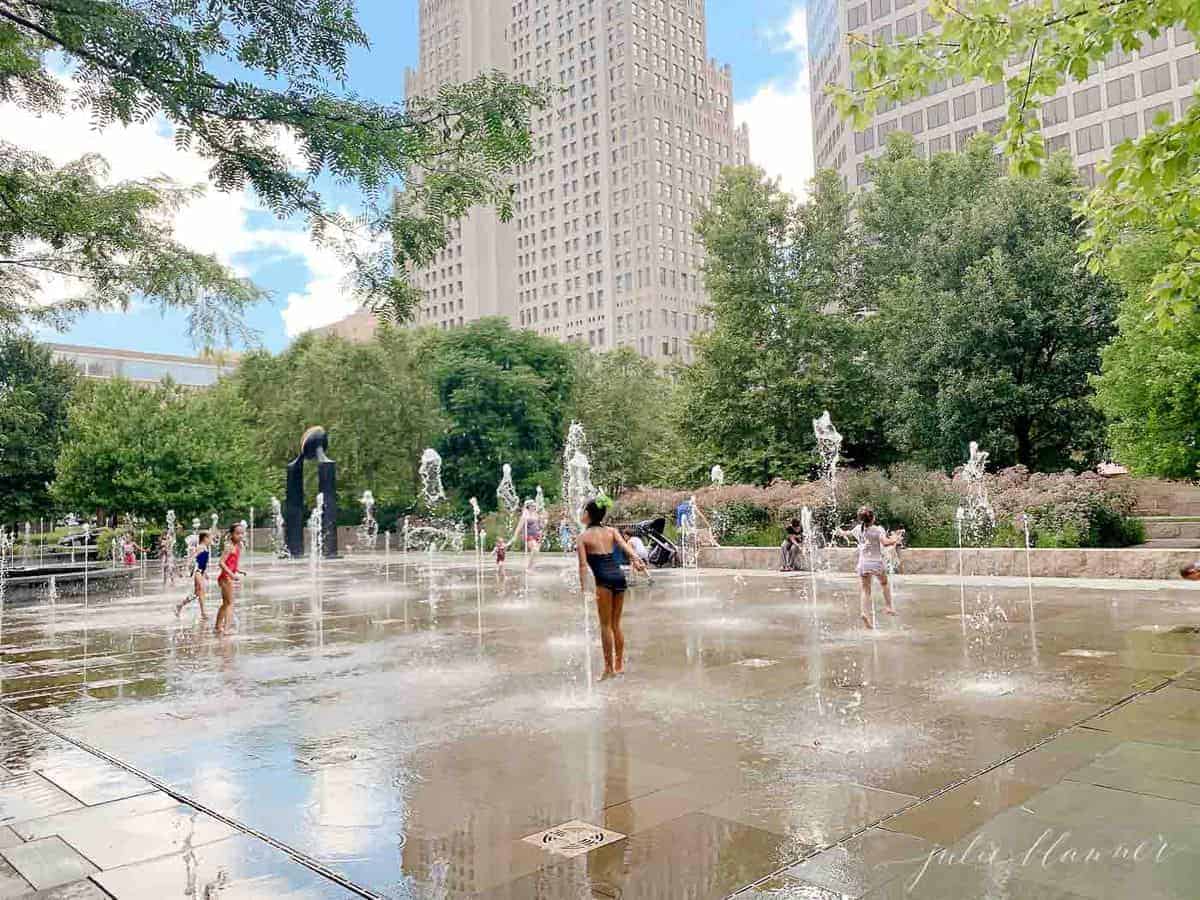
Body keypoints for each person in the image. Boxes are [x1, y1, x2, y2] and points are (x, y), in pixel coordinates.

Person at [577, 497, 647, 680]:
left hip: (604, 581)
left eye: (584, 511)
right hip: (619, 577)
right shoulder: (611, 531)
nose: (582, 514)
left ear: (589, 515)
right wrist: (637, 561)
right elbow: (625, 547)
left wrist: (584, 588)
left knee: (605, 626)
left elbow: (583, 566)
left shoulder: (583, 537)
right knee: (616, 624)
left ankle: (608, 668)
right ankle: (619, 664)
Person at [836, 507, 903, 629]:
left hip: (863, 564)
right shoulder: (877, 530)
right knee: (884, 583)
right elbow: (885, 543)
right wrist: (896, 539)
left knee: (865, 591)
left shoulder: (858, 529)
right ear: (873, 518)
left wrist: (840, 532)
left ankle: (864, 613)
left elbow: (847, 533)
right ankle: (888, 606)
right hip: (876, 563)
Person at [214, 522, 246, 636]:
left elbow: (232, 563)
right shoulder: (229, 546)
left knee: (225, 603)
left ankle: (218, 626)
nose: (240, 536)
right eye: (238, 533)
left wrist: (238, 570)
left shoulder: (238, 546)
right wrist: (231, 575)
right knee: (230, 603)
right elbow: (221, 563)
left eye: (242, 533)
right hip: (225, 578)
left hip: (227, 577)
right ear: (232, 534)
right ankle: (226, 629)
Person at [176, 531, 211, 618]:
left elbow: (202, 561)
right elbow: (192, 558)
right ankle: (203, 613)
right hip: (197, 571)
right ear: (205, 538)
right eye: (209, 538)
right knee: (201, 591)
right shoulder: (200, 547)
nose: (210, 540)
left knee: (196, 594)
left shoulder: (205, 547)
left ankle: (180, 605)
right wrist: (185, 568)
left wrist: (205, 573)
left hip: (201, 572)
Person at [509, 500, 545, 570]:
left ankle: (531, 566)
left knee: (536, 552)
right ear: (528, 506)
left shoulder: (536, 515)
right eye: (532, 506)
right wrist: (515, 536)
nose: (534, 507)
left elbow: (540, 526)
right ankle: (529, 568)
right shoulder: (525, 516)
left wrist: (543, 523)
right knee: (534, 549)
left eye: (534, 506)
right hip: (529, 535)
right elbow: (519, 527)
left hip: (537, 535)